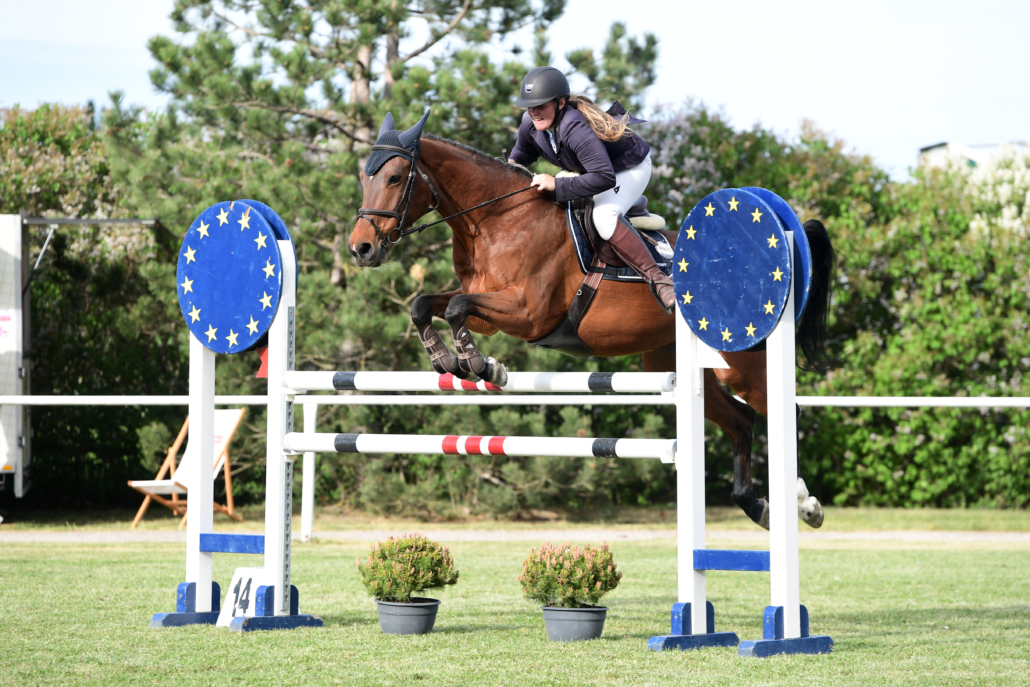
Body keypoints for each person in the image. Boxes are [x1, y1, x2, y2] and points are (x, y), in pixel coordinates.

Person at [507, 66, 675, 313]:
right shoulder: (530, 123)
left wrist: (557, 184)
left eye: (541, 105)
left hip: (627, 168)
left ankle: (660, 281)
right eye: (530, 106)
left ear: (560, 103)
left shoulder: (574, 127)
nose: (534, 111)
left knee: (602, 216)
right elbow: (520, 156)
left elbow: (604, 177)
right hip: (595, 170)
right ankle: (630, 205)